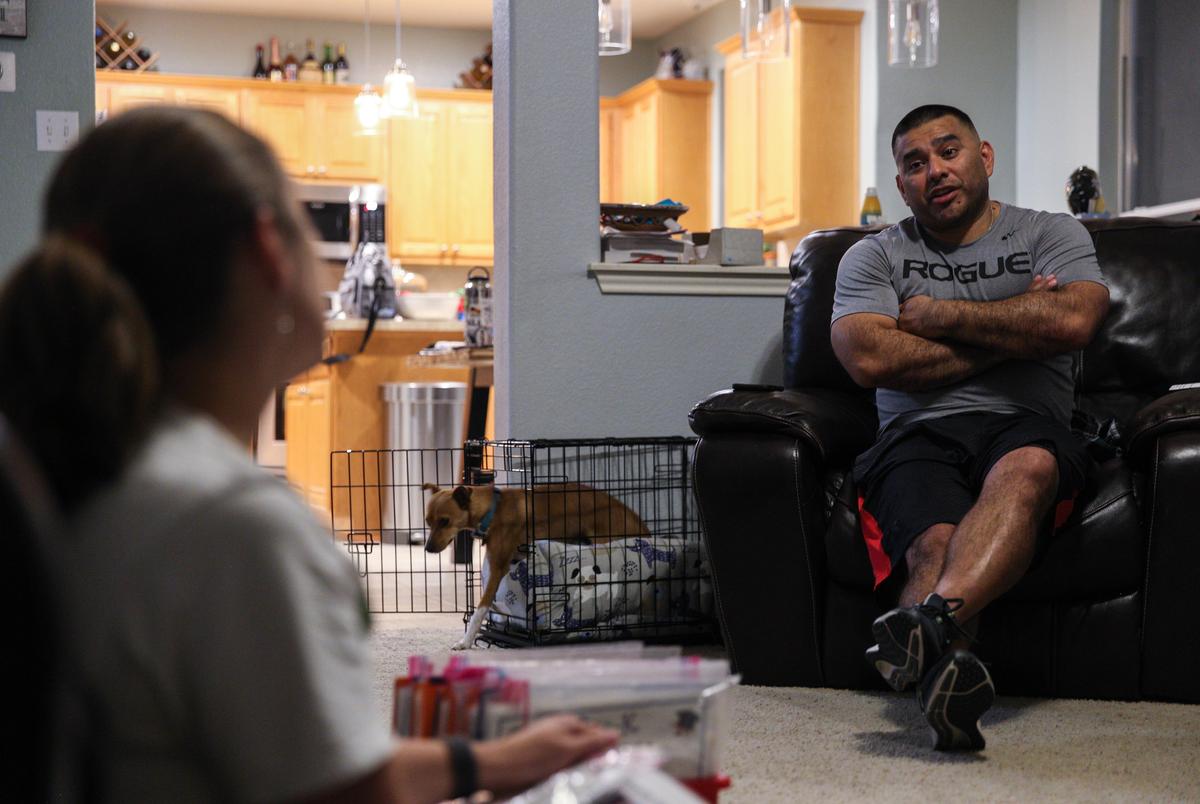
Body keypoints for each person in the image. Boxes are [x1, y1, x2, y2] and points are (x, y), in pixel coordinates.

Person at [0, 106, 617, 802]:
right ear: (269, 249)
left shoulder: (77, 470)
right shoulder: (233, 526)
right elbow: (348, 793)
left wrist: (476, 760)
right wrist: (499, 763)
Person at [830, 105, 1110, 751]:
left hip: (1027, 426)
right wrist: (1018, 330)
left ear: (984, 158)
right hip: (914, 436)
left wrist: (939, 316)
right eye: (915, 163)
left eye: (948, 151)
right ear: (900, 186)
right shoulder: (873, 255)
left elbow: (1073, 322)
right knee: (934, 542)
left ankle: (922, 628)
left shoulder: (1049, 232)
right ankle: (946, 687)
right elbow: (870, 358)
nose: (935, 171)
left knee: (1030, 470)